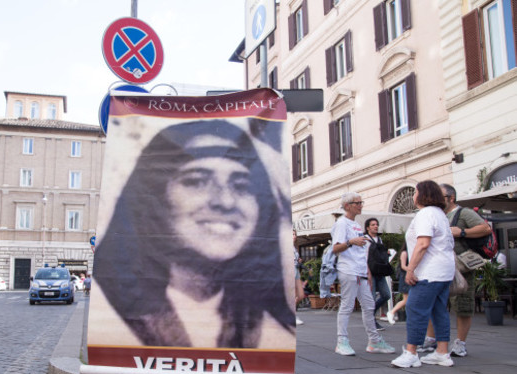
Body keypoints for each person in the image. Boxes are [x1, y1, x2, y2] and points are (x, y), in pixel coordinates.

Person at [93, 120, 295, 348]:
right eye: (197, 181)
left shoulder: (275, 330)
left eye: (241, 185)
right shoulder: (108, 314)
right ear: (153, 200)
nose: (225, 201)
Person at [420, 184, 492, 356]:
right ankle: (431, 339)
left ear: (451, 198)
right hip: (438, 266)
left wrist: (462, 232)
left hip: (461, 267)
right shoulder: (436, 215)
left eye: (441, 196)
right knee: (434, 303)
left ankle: (460, 343)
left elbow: (485, 228)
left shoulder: (464, 213)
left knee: (463, 304)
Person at [391, 180, 455, 368]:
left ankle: (411, 352)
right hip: (444, 271)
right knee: (438, 311)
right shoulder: (440, 215)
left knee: (414, 308)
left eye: (415, 192)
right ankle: (442, 352)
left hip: (429, 272)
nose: (413, 195)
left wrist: (410, 269)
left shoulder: (425, 214)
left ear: (422, 194)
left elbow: (423, 243)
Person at [330, 193, 395, 356]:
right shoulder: (341, 223)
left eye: (361, 202)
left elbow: (360, 252)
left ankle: (374, 341)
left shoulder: (356, 225)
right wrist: (351, 242)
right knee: (347, 306)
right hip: (348, 270)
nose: (360, 205)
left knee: (369, 305)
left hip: (360, 271)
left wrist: (367, 272)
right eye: (357, 203)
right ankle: (341, 341)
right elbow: (335, 248)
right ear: (347, 206)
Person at [364, 218, 392, 331]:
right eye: (373, 225)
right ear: (368, 228)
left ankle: (370, 315)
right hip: (371, 272)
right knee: (371, 298)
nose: (376, 226)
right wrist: (367, 273)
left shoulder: (379, 240)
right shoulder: (366, 240)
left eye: (377, 224)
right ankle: (372, 321)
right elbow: (364, 257)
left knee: (386, 295)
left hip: (380, 271)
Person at [387, 243, 410, 325]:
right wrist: (412, 270)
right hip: (405, 278)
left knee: (409, 300)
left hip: (408, 277)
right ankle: (392, 312)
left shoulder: (410, 253)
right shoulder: (405, 253)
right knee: (406, 300)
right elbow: (403, 266)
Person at [293, 230, 306, 326]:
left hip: (296, 270)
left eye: (294, 234)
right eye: (292, 234)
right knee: (293, 295)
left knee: (301, 295)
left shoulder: (294, 247)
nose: (294, 236)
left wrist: (298, 260)